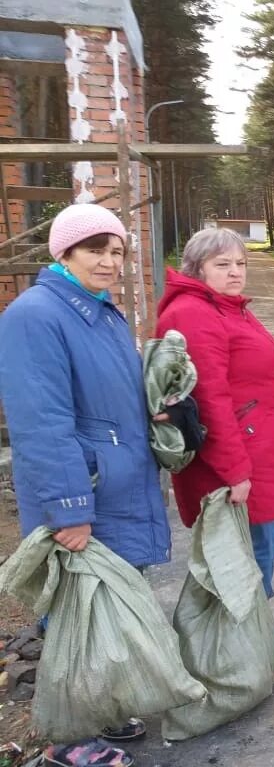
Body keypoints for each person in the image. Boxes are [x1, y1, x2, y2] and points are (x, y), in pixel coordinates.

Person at [0, 203, 171, 767]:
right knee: (75, 616)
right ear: (64, 252)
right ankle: (68, 741)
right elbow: (41, 422)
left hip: (120, 486)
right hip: (84, 495)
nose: (110, 261)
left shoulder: (102, 313)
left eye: (118, 250)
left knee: (109, 612)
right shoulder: (36, 315)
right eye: (96, 249)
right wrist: (68, 507)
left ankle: (101, 711)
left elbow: (113, 403)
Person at [155, 228, 274, 641]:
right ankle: (236, 637)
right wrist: (235, 470)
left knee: (261, 538)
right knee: (244, 545)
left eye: (241, 263)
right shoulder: (193, 313)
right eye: (223, 264)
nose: (236, 272)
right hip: (233, 457)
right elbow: (210, 398)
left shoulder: (227, 307)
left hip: (258, 446)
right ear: (197, 268)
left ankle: (250, 624)